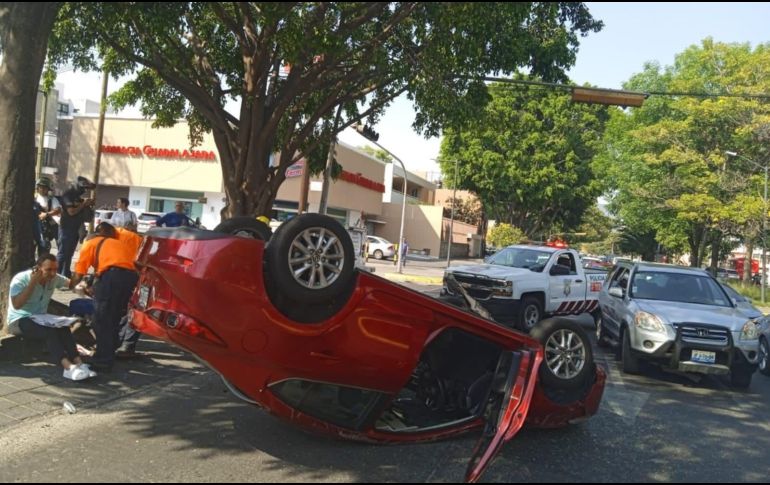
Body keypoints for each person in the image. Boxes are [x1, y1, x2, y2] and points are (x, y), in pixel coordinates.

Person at [6, 255, 96, 381]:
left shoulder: (53, 278)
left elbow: (71, 284)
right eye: (48, 270)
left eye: (55, 269)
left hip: (42, 318)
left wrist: (81, 281)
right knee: (50, 331)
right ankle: (68, 367)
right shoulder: (21, 279)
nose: (53, 273)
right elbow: (17, 305)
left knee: (63, 326)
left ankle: (79, 362)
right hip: (20, 320)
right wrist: (33, 282)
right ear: (38, 269)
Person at [70, 222, 142, 372]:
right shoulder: (118, 243)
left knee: (101, 319)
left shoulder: (91, 243)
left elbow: (79, 272)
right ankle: (110, 350)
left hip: (111, 277)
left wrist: (72, 285)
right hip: (130, 278)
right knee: (115, 317)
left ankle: (103, 360)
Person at [56, 176, 95, 277]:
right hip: (66, 228)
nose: (84, 190)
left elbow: (87, 218)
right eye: (83, 188)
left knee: (69, 254)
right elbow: (71, 212)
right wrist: (83, 204)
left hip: (76, 228)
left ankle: (65, 275)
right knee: (63, 254)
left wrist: (87, 205)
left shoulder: (78, 198)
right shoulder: (67, 195)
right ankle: (54, 276)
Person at [34, 178, 61, 258]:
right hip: (35, 226)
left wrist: (46, 214)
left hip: (49, 227)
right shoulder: (33, 198)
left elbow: (58, 210)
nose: (42, 189)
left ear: (48, 189)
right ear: (37, 188)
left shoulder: (52, 199)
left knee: (46, 247)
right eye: (40, 187)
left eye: (45, 187)